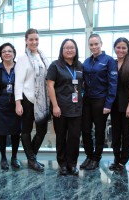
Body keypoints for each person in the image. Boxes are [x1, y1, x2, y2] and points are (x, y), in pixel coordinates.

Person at [14, 28, 50, 172]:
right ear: (26, 41)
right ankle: (32, 159)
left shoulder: (42, 55)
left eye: (36, 39)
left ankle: (31, 157)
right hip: (27, 99)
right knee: (26, 130)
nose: (34, 42)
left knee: (42, 131)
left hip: (42, 101)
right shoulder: (23, 58)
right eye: (31, 39)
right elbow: (18, 82)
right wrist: (18, 102)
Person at [80, 33, 118, 170]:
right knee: (85, 130)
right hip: (87, 100)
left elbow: (113, 84)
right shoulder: (86, 62)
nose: (94, 47)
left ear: (101, 44)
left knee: (99, 131)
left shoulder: (109, 61)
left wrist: (108, 104)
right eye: (91, 44)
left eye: (96, 44)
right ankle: (89, 156)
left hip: (101, 101)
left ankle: (96, 158)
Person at [47, 39, 83, 176]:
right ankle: (62, 164)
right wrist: (55, 106)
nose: (69, 50)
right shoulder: (55, 66)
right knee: (61, 137)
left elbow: (81, 85)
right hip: (60, 108)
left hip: (76, 108)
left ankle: (72, 164)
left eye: (72, 47)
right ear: (62, 50)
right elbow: (50, 86)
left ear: (76, 50)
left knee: (74, 137)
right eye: (66, 48)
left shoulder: (79, 65)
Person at [0, 43, 21, 170]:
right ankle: (3, 158)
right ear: (0, 54)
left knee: (15, 132)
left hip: (16, 105)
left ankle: (14, 157)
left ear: (14, 53)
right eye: (4, 51)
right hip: (0, 105)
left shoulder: (19, 68)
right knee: (1, 133)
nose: (7, 53)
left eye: (9, 51)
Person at [109, 37, 129, 172]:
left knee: (126, 134)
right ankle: (116, 158)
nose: (121, 50)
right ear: (115, 48)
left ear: (127, 50)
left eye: (124, 48)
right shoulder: (112, 63)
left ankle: (123, 161)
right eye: (118, 47)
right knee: (115, 133)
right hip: (114, 104)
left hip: (127, 105)